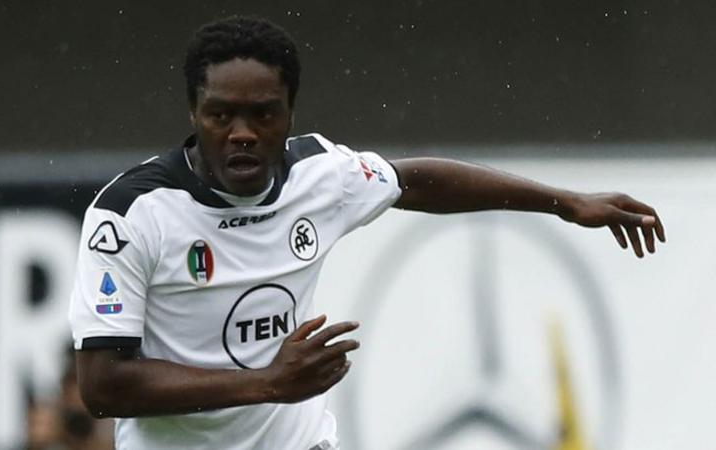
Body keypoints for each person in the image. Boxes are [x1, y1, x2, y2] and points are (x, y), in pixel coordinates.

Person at [68, 16, 664, 450]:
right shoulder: (129, 216)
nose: (242, 132)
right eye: (221, 115)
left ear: (291, 114)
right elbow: (104, 386)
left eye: (263, 114)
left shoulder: (320, 175)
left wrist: (565, 203)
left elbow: (417, 181)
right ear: (193, 114)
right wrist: (266, 384)